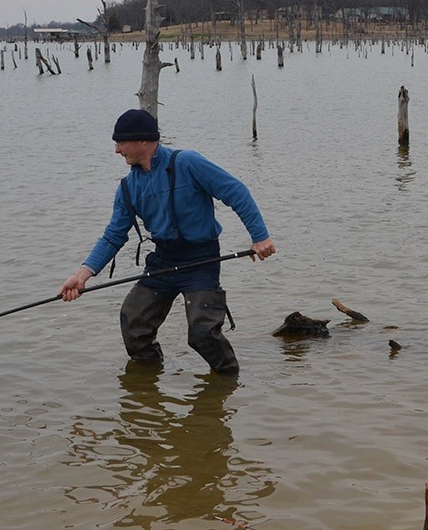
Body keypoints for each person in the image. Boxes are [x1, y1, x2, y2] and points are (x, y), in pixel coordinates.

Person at [59, 109, 276, 374]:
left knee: (202, 334)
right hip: (162, 261)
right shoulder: (127, 187)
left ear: (142, 141)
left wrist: (260, 236)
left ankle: (227, 383)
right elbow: (113, 235)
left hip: (201, 260)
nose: (117, 150)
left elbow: (236, 192)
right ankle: (150, 384)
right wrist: (82, 275)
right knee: (133, 323)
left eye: (120, 143)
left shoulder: (188, 162)